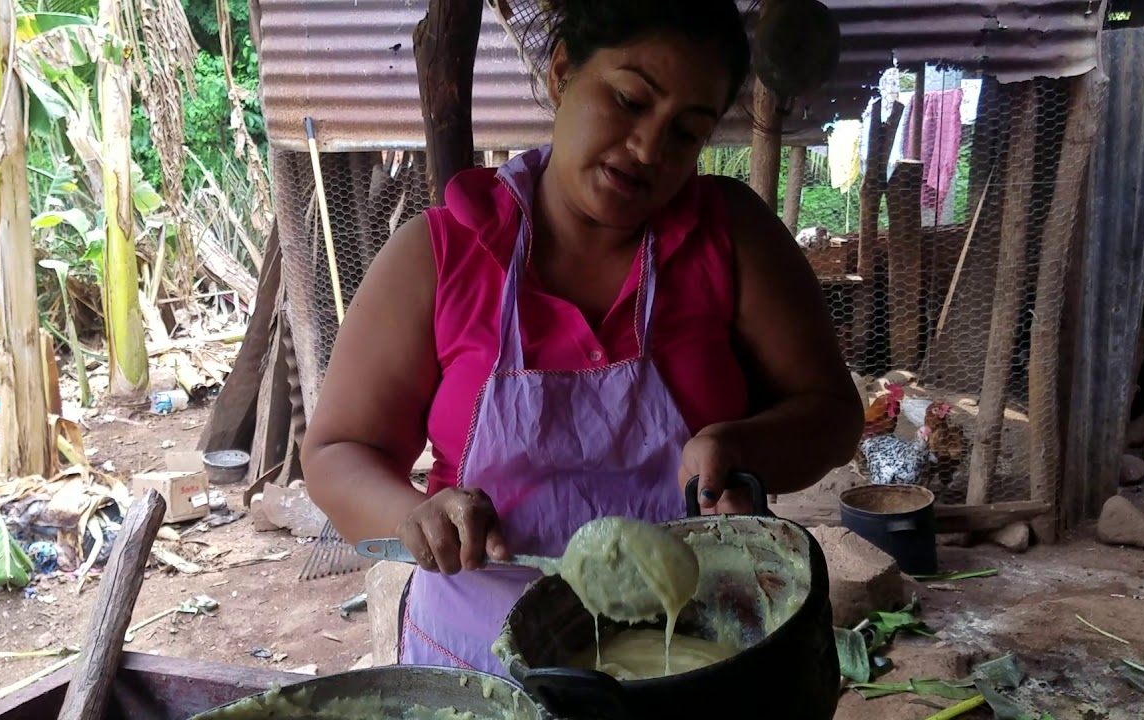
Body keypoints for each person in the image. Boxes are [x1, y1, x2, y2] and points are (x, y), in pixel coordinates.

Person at [301, 0, 864, 677]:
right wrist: (413, 514)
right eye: (629, 99)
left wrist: (740, 446)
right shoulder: (441, 255)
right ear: (564, 72)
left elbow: (830, 413)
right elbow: (337, 450)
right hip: (483, 665)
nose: (649, 149)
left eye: (687, 131)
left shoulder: (731, 239)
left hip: (685, 659)